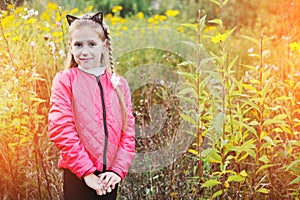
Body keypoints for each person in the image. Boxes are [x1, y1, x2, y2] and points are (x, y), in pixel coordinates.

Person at [48, 11, 135, 200]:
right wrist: (87, 173)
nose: (84, 51)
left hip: (109, 178)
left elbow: (128, 133)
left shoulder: (119, 84)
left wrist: (117, 171)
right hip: (78, 174)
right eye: (78, 45)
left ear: (104, 46)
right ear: (70, 47)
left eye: (92, 44)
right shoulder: (65, 81)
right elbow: (61, 129)